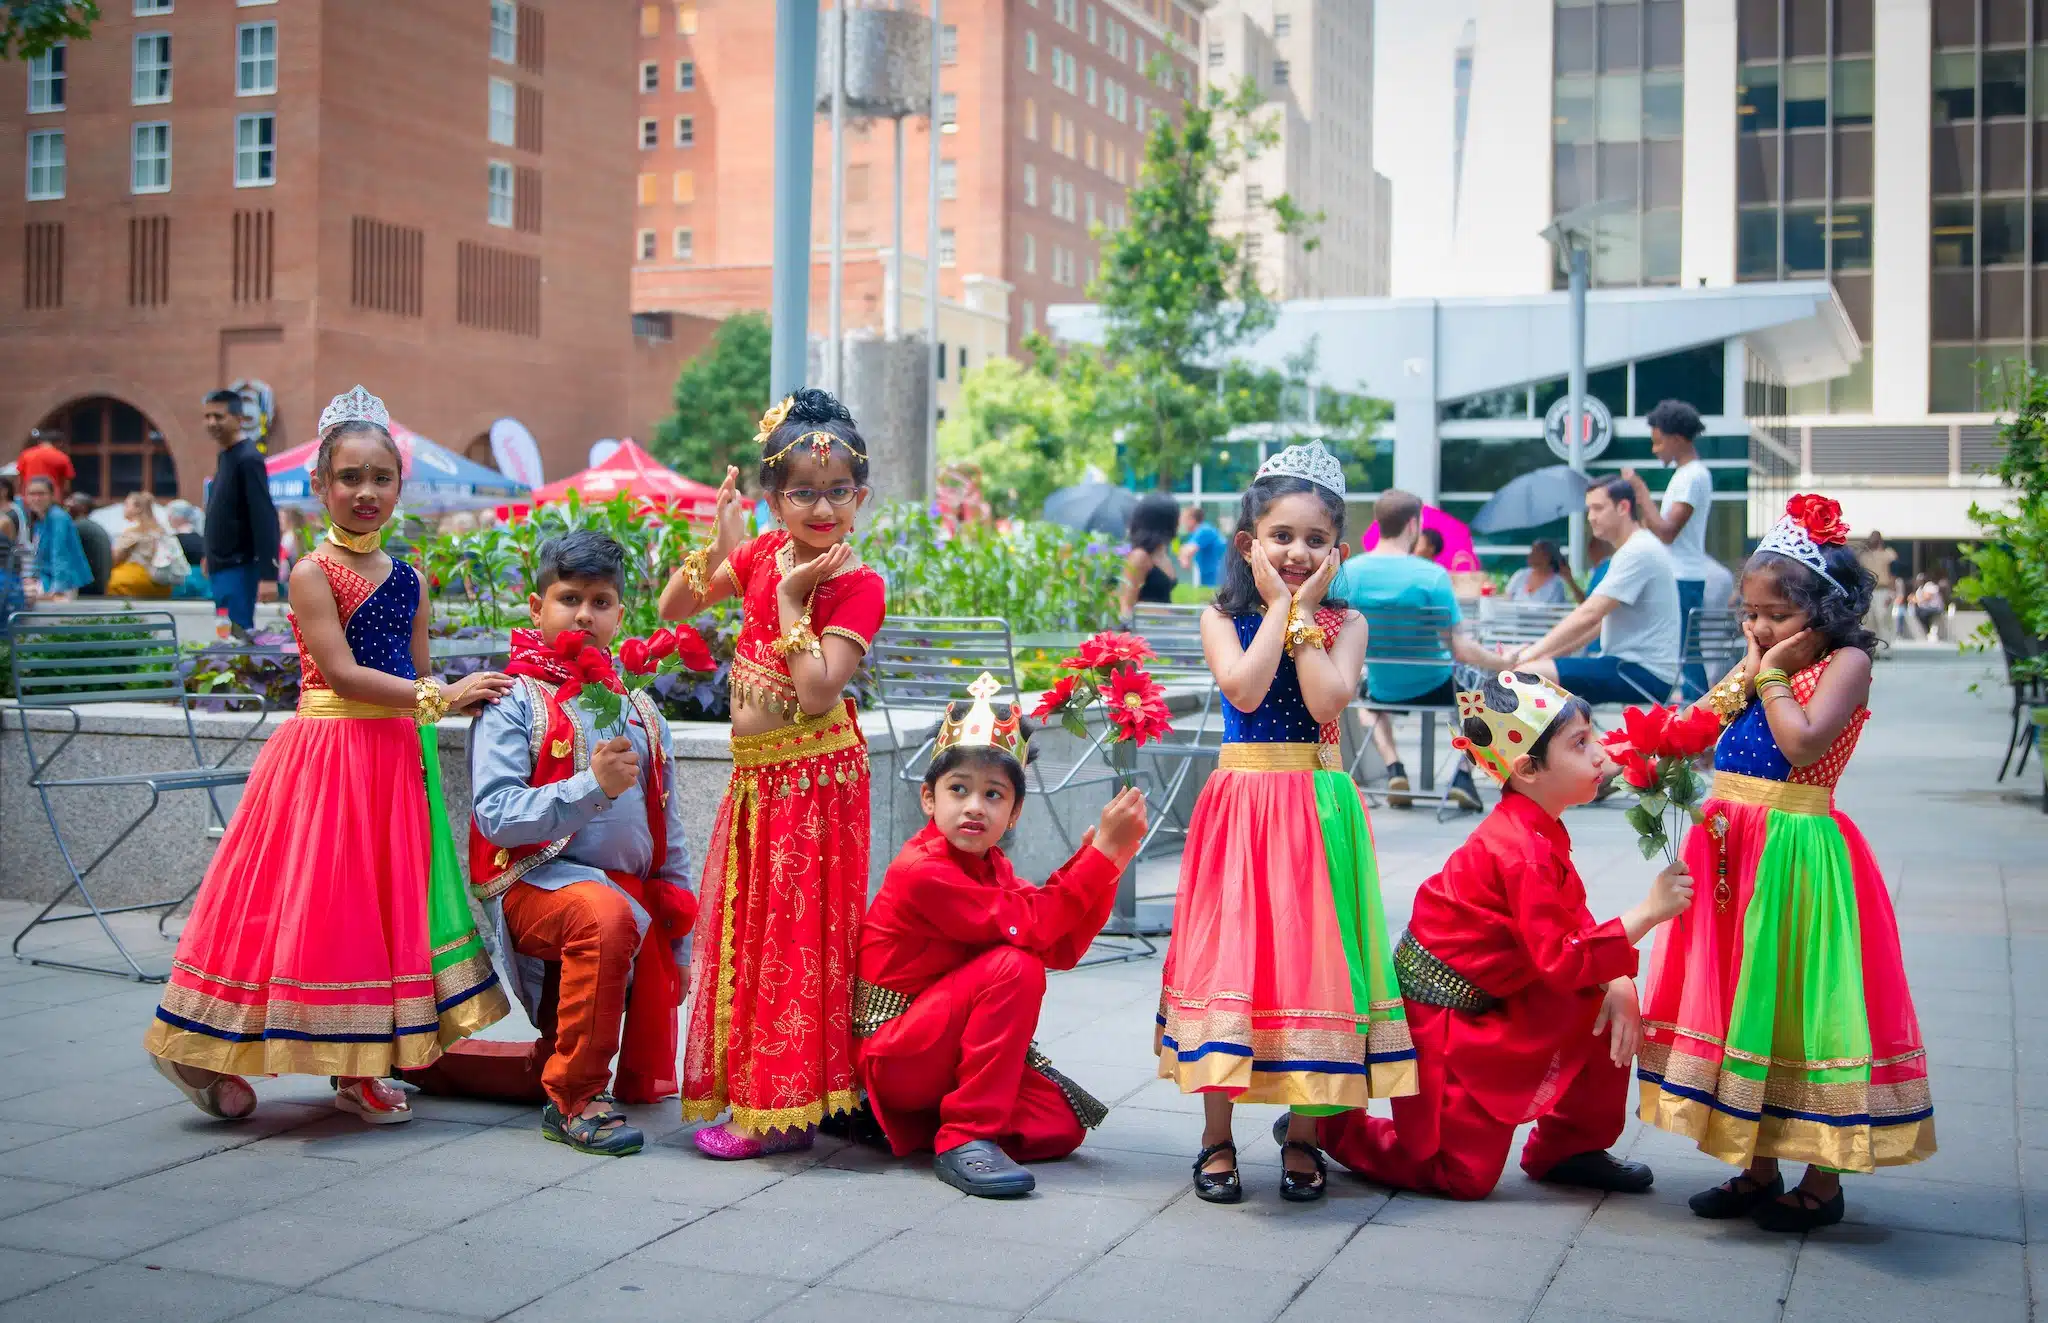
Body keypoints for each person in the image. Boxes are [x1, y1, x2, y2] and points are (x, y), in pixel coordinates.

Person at [145, 386, 513, 1124]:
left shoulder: (409, 578)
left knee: (379, 909)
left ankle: (359, 1065)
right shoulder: (313, 572)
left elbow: (415, 672)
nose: (366, 492)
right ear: (319, 485)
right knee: (316, 906)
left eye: (381, 477)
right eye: (349, 477)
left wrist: (456, 701)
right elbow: (342, 674)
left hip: (392, 759)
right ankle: (198, 1047)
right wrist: (441, 697)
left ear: (400, 486)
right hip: (328, 758)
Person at [1638, 494, 1934, 1231]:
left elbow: (1802, 742)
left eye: (1776, 613)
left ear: (1824, 609)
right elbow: (1696, 726)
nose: (1761, 626)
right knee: (1745, 1002)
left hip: (1795, 852)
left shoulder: (1847, 663)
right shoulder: (1758, 661)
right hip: (1732, 847)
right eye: (1751, 612)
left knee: (1799, 1003)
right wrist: (1747, 671)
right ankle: (1755, 1165)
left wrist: (1769, 673)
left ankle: (1823, 1180)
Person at [1313, 671, 1694, 1199]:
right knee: (1462, 1176)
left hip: (1504, 988)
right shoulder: (1520, 848)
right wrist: (1648, 914)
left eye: (1592, 737)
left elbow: (1571, 924)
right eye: (1579, 744)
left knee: (1608, 999)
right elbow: (1564, 960)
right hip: (1448, 1016)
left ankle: (1570, 1147)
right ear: (1527, 769)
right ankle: (1330, 1129)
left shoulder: (1537, 826)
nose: (1601, 754)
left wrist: (1618, 981)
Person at [1158, 441, 1417, 1206]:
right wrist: (1279, 609)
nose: (1297, 552)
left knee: (1316, 964)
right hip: (1243, 805)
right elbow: (1243, 689)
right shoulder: (1221, 617)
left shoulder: (1349, 622)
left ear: (1338, 550)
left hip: (1318, 806)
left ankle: (1304, 1135)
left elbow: (1328, 700)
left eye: (1315, 539)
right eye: (1281, 536)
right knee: (1230, 963)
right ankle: (1216, 1136)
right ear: (1249, 543)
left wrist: (1301, 616)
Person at [406, 531, 698, 1156]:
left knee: (607, 931)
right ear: (537, 608)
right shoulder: (512, 699)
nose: (584, 615)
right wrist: (592, 785)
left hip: (628, 900)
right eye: (569, 599)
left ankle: (427, 1064)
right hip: (536, 886)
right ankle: (576, 1098)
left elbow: (667, 837)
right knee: (604, 915)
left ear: (620, 615)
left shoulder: (642, 710)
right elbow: (495, 817)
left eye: (600, 601)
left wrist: (680, 943)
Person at [658, 388, 886, 1156]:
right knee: (750, 938)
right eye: (802, 492)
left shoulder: (858, 583)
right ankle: (762, 1100)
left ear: (860, 497)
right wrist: (718, 541)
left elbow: (818, 691)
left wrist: (792, 600)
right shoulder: (761, 553)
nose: (821, 508)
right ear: (773, 496)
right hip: (757, 778)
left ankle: (782, 1113)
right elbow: (672, 608)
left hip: (815, 783)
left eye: (837, 491)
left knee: (793, 945)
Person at [855, 678, 1148, 1196]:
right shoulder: (922, 871)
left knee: (1060, 1122)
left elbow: (1059, 946)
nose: (975, 806)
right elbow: (1034, 928)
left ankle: (916, 1123)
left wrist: (1110, 863)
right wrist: (1097, 857)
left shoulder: (992, 866)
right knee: (1015, 966)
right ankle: (964, 1137)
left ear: (1013, 814)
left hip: (941, 1044)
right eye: (959, 789)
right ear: (929, 798)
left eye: (993, 795)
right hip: (898, 1050)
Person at [1333, 490, 1511, 814]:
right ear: (1413, 525)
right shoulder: (1432, 575)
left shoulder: (1349, 572)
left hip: (1383, 689)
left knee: (1367, 704)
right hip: (1437, 685)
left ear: (1378, 522)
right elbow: (1461, 649)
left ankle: (1394, 769)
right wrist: (1502, 661)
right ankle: (1463, 775)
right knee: (1486, 699)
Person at [1511, 477, 1680, 705]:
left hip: (1641, 674)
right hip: (1630, 668)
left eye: (1598, 508)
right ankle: (1573, 727)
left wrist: (1529, 654)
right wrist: (1543, 654)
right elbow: (1597, 625)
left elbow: (1590, 614)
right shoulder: (1634, 547)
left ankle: (1570, 728)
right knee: (1531, 670)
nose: (1590, 517)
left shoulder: (1637, 551)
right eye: (1589, 509)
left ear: (1623, 507)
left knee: (1524, 676)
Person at [1623, 400, 1714, 701]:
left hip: (1683, 578)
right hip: (1680, 577)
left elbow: (1666, 532)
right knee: (1683, 650)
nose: (1654, 449)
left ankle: (1698, 710)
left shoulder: (1692, 476)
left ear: (1676, 438)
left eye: (1658, 441)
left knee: (1685, 652)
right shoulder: (1686, 475)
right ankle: (1698, 709)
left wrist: (1640, 491)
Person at [202, 388, 281, 633]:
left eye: (219, 416)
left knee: (236, 639)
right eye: (207, 417)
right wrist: (208, 555)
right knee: (225, 636)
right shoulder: (226, 457)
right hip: (222, 568)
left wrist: (268, 575)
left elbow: (264, 516)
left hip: (238, 568)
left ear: (239, 419)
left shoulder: (248, 459)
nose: (211, 422)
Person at [19, 476, 91, 601]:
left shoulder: (58, 518)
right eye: (32, 494)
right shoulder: (40, 520)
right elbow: (39, 556)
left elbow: (60, 555)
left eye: (41, 494)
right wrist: (31, 577)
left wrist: (58, 590)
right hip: (46, 579)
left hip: (63, 583)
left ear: (52, 495)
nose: (36, 498)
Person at [106, 492, 182, 599]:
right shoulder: (160, 530)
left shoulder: (133, 530)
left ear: (137, 508)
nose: (124, 508)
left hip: (133, 580)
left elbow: (115, 558)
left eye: (127, 505)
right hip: (161, 584)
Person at [1120, 490, 1180, 616]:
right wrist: (1162, 613)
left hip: (1164, 625)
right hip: (1145, 625)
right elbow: (1126, 605)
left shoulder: (1161, 552)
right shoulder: (1140, 556)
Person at [1504, 539, 1579, 605]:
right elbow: (1507, 598)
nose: (1530, 555)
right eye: (1532, 551)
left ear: (1548, 556)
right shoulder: (1520, 575)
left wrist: (1569, 579)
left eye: (1536, 552)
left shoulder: (1559, 582)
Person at [65, 494, 112, 596]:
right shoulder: (91, 526)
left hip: (87, 589)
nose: (67, 503)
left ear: (83, 507)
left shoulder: (79, 526)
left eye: (72, 501)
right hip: (99, 586)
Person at [165, 501, 210, 598]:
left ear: (179, 517)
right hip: (205, 585)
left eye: (170, 515)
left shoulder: (173, 540)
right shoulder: (203, 538)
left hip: (183, 585)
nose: (168, 519)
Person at [1856, 531, 1896, 640]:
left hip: (1883, 590)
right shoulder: (1863, 556)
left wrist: (1892, 592)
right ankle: (1872, 646)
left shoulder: (1888, 554)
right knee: (1869, 620)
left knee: (1882, 619)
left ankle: (1885, 645)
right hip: (1868, 591)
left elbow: (1893, 574)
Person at [1176, 503, 1227, 588]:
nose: (1183, 523)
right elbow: (1186, 549)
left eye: (1184, 519)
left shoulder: (1204, 530)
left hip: (1218, 577)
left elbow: (1188, 550)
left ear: (1192, 520)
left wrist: (1184, 558)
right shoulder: (1197, 533)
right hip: (1210, 576)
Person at [14, 431, 74, 499]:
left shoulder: (26, 454)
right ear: (60, 443)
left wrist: (18, 495)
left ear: (40, 442)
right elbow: (66, 487)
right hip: (52, 498)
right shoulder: (62, 457)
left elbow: (19, 480)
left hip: (29, 497)